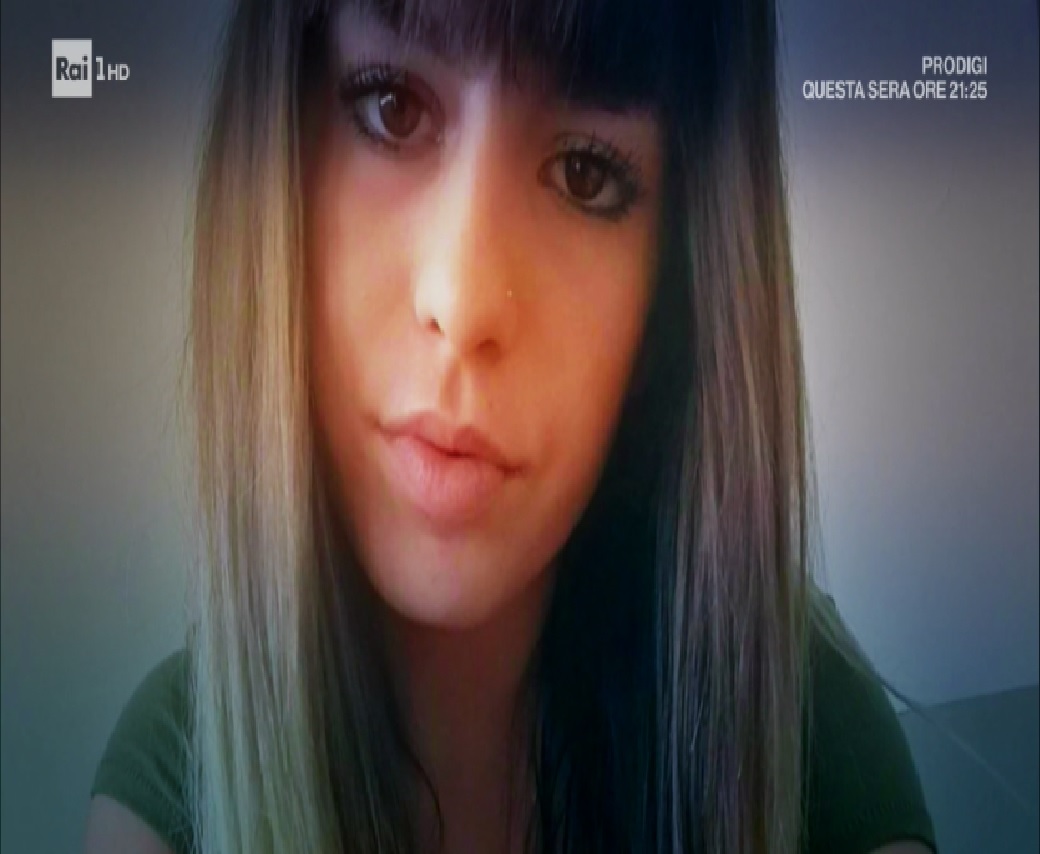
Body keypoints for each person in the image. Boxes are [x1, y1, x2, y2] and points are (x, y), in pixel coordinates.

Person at [82, 0, 938, 852]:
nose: (462, 299)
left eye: (584, 174)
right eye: (393, 107)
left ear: (676, 282)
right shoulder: (168, 796)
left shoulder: (801, 728)